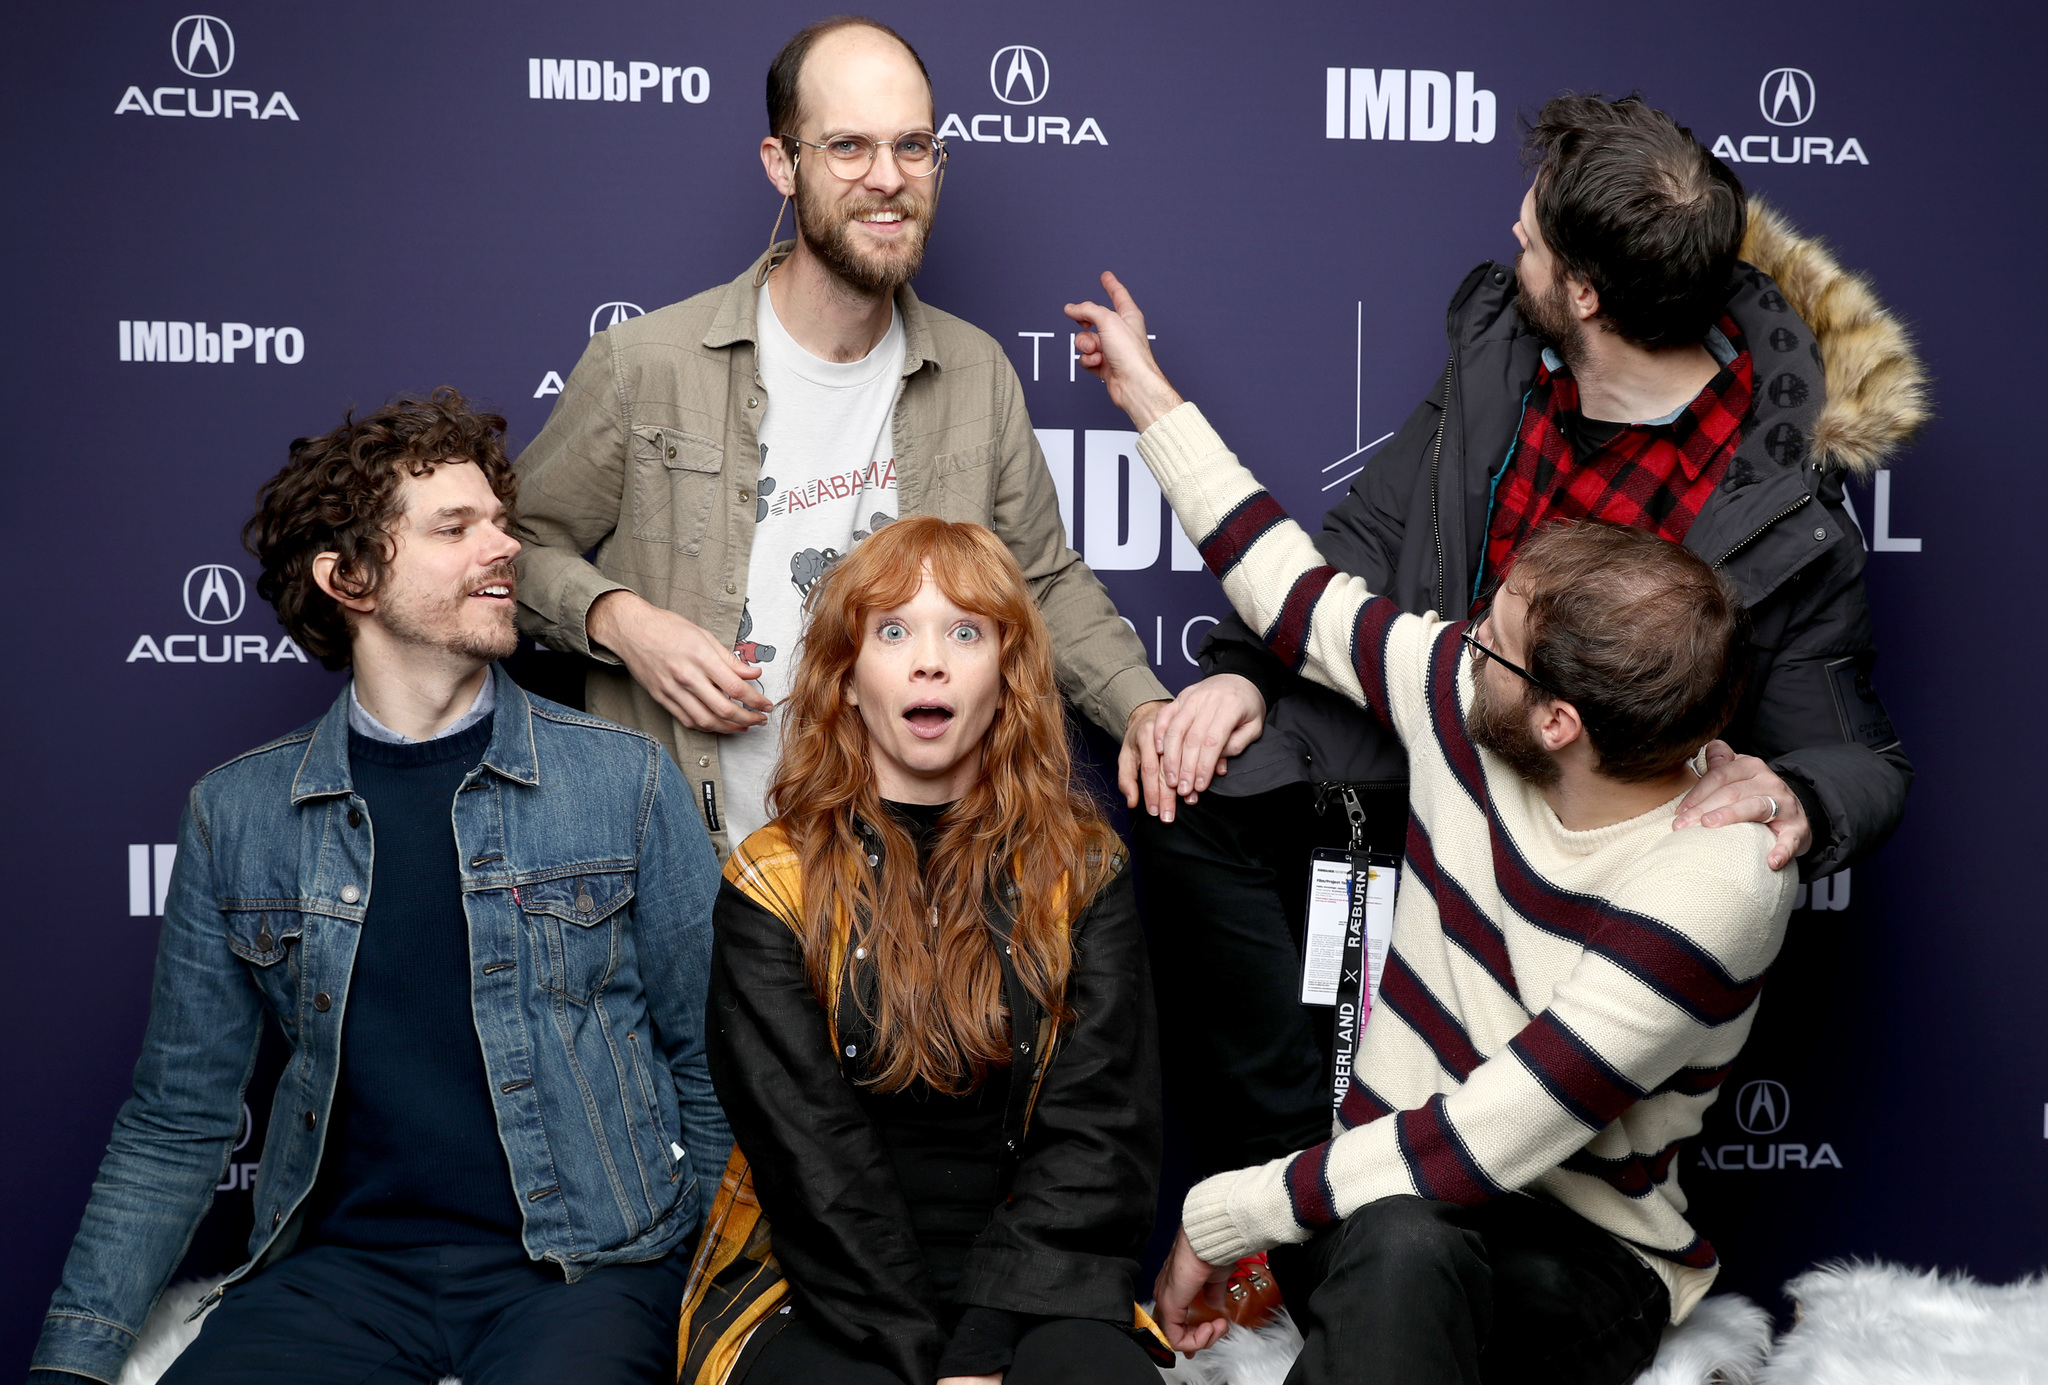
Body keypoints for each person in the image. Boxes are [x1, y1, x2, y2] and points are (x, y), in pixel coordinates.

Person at [1115, 93, 1924, 1182]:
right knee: (1191, 782)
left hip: (1588, 817)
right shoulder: (1505, 353)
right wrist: (1246, 671)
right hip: (1436, 715)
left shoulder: (1776, 496)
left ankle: (1453, 1206)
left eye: (1532, 239)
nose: (1511, 240)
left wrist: (1799, 795)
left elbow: (1860, 760)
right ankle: (1289, 1180)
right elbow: (1373, 530)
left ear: (1585, 293)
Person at [1062, 296, 1797, 1383]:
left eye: (1493, 639)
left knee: (1407, 1245)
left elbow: (1492, 1133)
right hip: (1371, 1205)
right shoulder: (1469, 695)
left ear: (1559, 721)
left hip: (1580, 1261)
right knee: (1399, 1243)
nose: (1462, 638)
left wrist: (1226, 1213)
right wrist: (1143, 390)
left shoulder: (1719, 875)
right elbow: (1293, 592)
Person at [29, 391, 729, 1385]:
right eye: (455, 526)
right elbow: (176, 1120)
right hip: (340, 1276)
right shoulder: (238, 814)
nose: (505, 546)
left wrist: (704, 1285)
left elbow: (716, 1066)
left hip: (584, 1268)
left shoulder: (625, 780)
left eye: (500, 521)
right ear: (348, 577)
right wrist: (72, 1363)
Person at [511, 16, 1169, 856]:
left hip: (908, 875)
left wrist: (1144, 707)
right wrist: (623, 621)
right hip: (686, 865)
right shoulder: (643, 365)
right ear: (782, 164)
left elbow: (1039, 579)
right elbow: (513, 550)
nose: (888, 179)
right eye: (849, 147)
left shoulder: (977, 370)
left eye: (913, 146)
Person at [704, 516, 1163, 1385]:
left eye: (965, 632)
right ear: (846, 679)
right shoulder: (772, 880)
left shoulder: (1082, 870)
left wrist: (983, 1345)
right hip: (820, 1284)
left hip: (1035, 1284)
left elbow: (1100, 1137)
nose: (929, 662)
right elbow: (813, 1164)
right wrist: (932, 1364)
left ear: (1008, 676)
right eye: (892, 631)